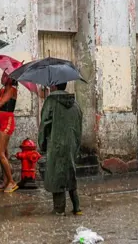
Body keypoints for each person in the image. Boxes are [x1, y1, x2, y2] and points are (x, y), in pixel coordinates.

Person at [38, 82, 83, 216]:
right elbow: (79, 124)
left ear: (54, 86)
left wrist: (42, 144)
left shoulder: (51, 101)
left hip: (56, 143)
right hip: (72, 144)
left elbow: (45, 123)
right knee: (70, 172)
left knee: (57, 175)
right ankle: (77, 207)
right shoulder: (75, 103)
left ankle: (59, 209)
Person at [0, 73, 19, 193]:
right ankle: (5, 181)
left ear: (10, 79)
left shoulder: (12, 90)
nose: (2, 78)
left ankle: (12, 181)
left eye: (5, 76)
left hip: (6, 121)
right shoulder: (1, 91)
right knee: (4, 153)